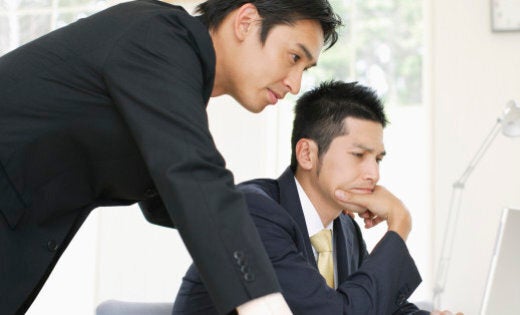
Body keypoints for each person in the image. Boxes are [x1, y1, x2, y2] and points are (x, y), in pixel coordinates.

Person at [0, 0, 341, 314]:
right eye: (294, 57)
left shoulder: (173, 81)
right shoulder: (159, 37)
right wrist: (264, 305)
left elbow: (176, 195)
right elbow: (194, 177)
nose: (295, 84)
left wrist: (282, 226)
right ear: (246, 22)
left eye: (305, 69)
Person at [173, 80, 432, 314]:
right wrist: (399, 223)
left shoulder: (345, 228)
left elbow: (370, 300)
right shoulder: (253, 213)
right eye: (358, 155)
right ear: (307, 154)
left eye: (377, 159)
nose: (373, 174)